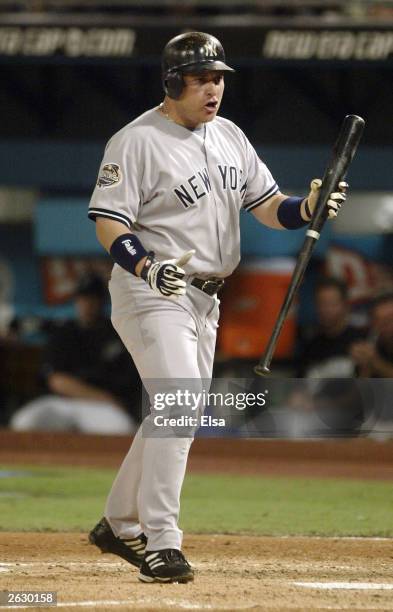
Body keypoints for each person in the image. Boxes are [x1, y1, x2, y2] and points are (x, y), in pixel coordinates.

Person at [87, 31, 347, 584]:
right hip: (152, 291)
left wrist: (311, 206)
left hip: (208, 300)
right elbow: (110, 221)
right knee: (179, 406)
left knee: (173, 412)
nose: (214, 89)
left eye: (219, 78)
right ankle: (161, 541)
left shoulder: (229, 135)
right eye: (203, 78)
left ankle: (116, 522)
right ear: (174, 81)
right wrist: (146, 266)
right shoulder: (135, 141)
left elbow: (271, 207)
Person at [10, 274, 140, 434]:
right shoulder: (64, 333)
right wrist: (103, 397)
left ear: (102, 301)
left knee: (123, 429)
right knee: (23, 422)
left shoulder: (116, 334)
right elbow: (57, 381)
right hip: (64, 403)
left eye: (92, 298)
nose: (87, 304)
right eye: (83, 298)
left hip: (100, 409)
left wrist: (109, 401)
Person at [297, 277, 367, 378]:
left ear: (345, 305)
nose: (326, 310)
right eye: (321, 303)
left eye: (332, 304)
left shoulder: (361, 341)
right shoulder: (310, 346)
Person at [350, 292, 393, 377]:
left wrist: (376, 363)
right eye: (384, 322)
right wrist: (365, 365)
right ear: (374, 325)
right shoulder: (373, 344)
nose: (390, 327)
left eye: (391, 319)